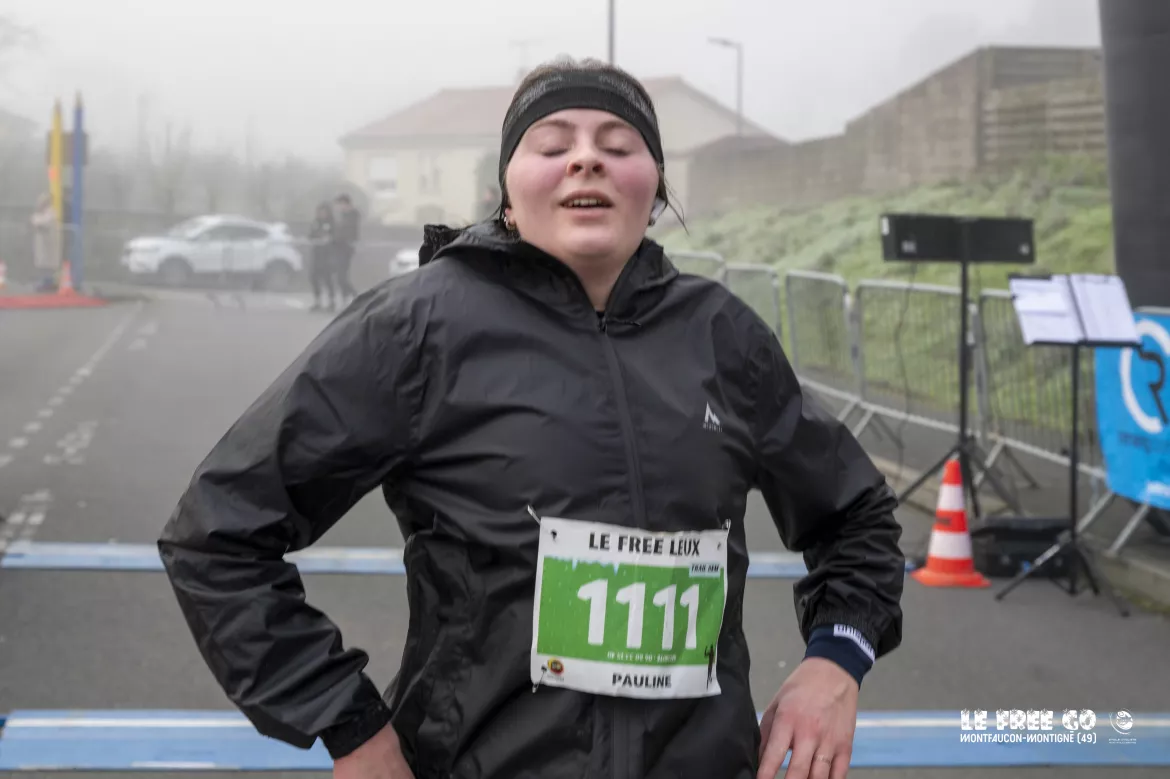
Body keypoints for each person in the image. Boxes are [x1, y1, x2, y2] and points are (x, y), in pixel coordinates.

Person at [158, 56, 905, 779]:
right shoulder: (419, 326)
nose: (587, 160)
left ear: (655, 187)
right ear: (507, 192)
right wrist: (350, 727)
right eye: (552, 145)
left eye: (618, 145)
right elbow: (219, 534)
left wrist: (837, 659)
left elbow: (857, 518)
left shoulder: (724, 336)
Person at [307, 201, 339, 311]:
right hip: (317, 254)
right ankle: (317, 301)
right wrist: (317, 237)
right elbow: (310, 235)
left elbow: (335, 237)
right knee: (314, 277)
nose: (322, 214)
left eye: (324, 212)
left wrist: (329, 239)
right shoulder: (316, 222)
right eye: (320, 212)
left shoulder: (332, 223)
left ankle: (332, 301)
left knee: (327, 278)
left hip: (328, 255)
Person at [331, 193, 361, 303]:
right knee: (339, 276)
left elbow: (348, 232)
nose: (338, 208)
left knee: (341, 275)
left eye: (339, 204)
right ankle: (347, 296)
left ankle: (354, 295)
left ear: (345, 204)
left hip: (346, 248)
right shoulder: (342, 216)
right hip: (339, 248)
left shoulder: (352, 215)